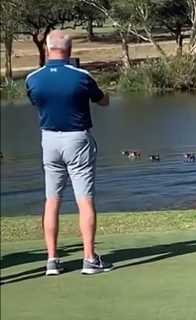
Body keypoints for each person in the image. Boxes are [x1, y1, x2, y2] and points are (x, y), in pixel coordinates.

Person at [25, 30, 113, 275]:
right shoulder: (81, 76)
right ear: (70, 51)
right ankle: (89, 259)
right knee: (84, 200)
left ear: (47, 49)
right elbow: (101, 100)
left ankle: (52, 260)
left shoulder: (33, 78)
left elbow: (36, 101)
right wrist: (107, 96)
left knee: (52, 200)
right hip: (77, 139)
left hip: (49, 141)